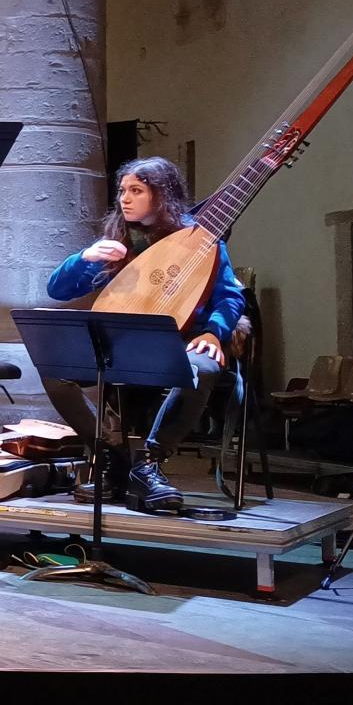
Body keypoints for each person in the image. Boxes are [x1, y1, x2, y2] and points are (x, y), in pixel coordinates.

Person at [43, 156, 244, 515]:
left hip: (182, 341)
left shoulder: (200, 240)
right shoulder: (117, 240)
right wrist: (84, 258)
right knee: (55, 370)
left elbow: (229, 296)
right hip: (125, 346)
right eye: (122, 191)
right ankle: (111, 456)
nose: (125, 198)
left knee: (204, 367)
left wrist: (215, 333)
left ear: (162, 195)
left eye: (136, 190)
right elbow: (58, 290)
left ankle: (148, 463)